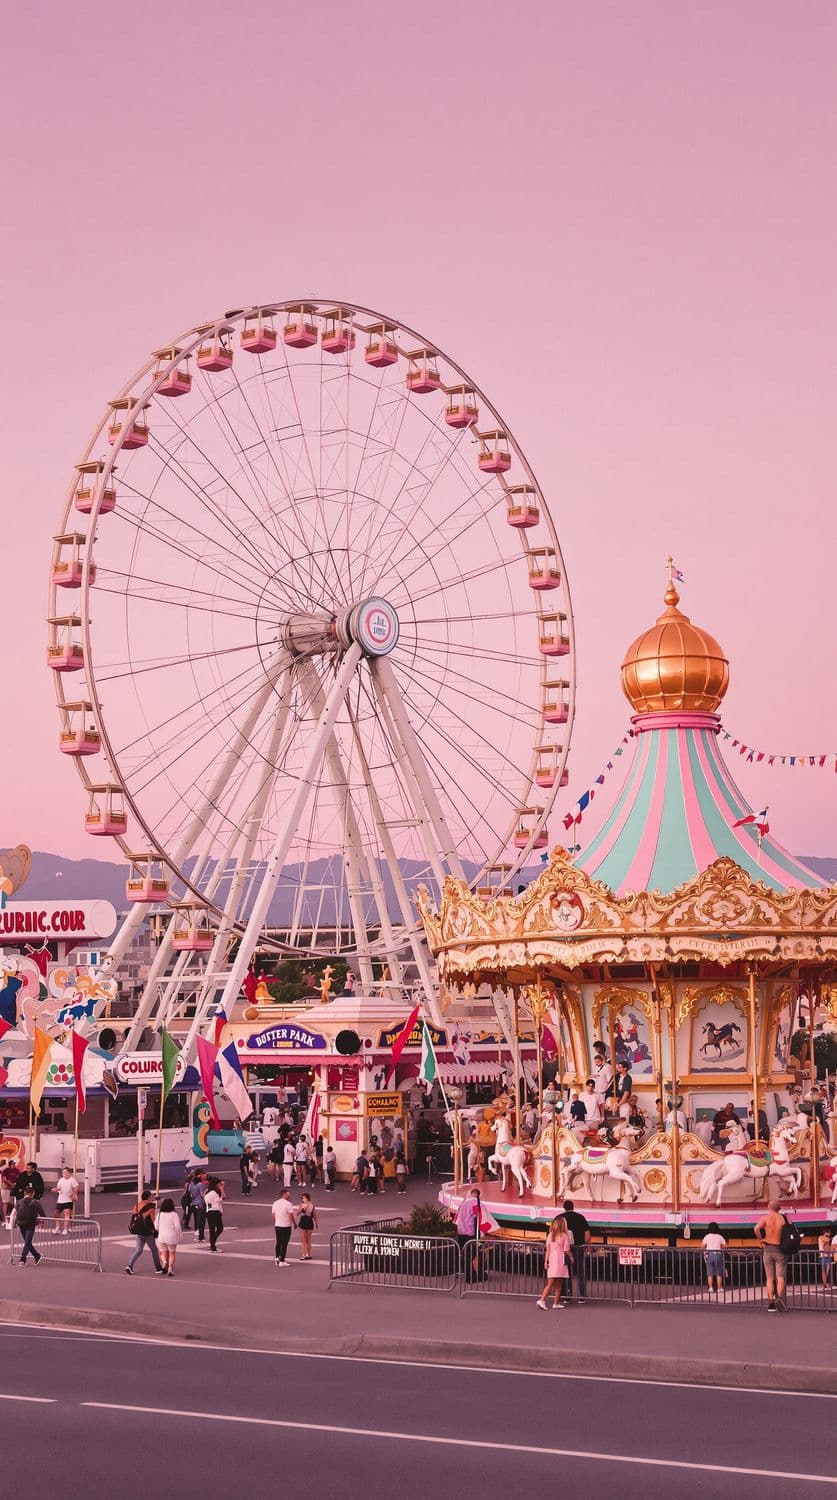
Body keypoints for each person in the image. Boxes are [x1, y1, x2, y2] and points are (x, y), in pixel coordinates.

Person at [754, 1198, 790, 1312]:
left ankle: (771, 1303)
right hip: (780, 1249)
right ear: (779, 1208)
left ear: (768, 1207)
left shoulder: (765, 1218)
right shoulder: (783, 1218)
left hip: (768, 1248)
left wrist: (761, 1240)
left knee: (769, 1278)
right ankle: (778, 1297)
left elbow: (756, 1228)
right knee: (780, 1277)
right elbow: (791, 1230)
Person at [125, 1189, 165, 1275]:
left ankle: (129, 1265)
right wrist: (156, 1230)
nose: (152, 1197)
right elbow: (153, 1219)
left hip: (138, 1230)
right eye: (151, 1196)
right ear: (148, 1197)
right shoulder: (150, 1207)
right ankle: (158, 1267)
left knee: (138, 1249)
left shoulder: (136, 1205)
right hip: (148, 1231)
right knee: (154, 1249)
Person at [537, 1214, 573, 1310]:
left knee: (550, 1283)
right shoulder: (564, 1235)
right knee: (558, 1284)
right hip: (560, 1260)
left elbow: (547, 1250)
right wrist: (572, 1257)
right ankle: (545, 1300)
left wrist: (546, 1261)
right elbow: (566, 1250)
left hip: (552, 1260)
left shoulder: (550, 1235)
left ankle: (548, 1301)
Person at [562, 1199, 591, 1302]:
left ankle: (567, 1296)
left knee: (567, 1272)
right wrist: (587, 1246)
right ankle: (582, 1296)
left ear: (564, 1208)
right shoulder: (581, 1217)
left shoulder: (560, 1218)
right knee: (581, 1272)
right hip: (579, 1246)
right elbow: (587, 1233)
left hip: (566, 1248)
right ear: (573, 1207)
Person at [15, 1188, 45, 1266]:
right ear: (33, 1193)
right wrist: (42, 1222)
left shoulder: (19, 1201)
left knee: (27, 1242)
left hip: (21, 1224)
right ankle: (23, 1260)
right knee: (27, 1242)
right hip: (31, 1224)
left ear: (24, 1192)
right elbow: (42, 1214)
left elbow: (15, 1212)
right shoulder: (36, 1202)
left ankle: (36, 1256)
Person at [156, 1197, 183, 1277]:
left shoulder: (160, 1215)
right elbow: (177, 1227)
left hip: (161, 1236)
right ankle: (170, 1268)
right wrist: (179, 1236)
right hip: (171, 1236)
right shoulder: (174, 1215)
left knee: (163, 1252)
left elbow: (156, 1226)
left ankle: (164, 1263)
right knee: (172, 1253)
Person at [271, 1187, 297, 1266]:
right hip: (286, 1225)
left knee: (278, 1242)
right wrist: (294, 1223)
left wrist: (275, 1223)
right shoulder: (288, 1204)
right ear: (284, 1194)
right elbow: (290, 1215)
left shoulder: (275, 1203)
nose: (289, 1195)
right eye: (288, 1194)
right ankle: (282, 1259)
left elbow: (273, 1214)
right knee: (284, 1243)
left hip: (278, 1225)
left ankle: (277, 1258)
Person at [702, 1220, 727, 1293]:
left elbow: (702, 1246)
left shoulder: (707, 1236)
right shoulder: (720, 1236)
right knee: (719, 1273)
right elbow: (725, 1246)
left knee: (710, 1273)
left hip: (709, 1255)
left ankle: (711, 1288)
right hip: (718, 1255)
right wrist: (720, 1246)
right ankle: (719, 1288)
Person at [55, 1167, 79, 1233]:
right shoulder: (61, 1180)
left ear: (69, 1173)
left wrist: (74, 1194)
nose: (64, 1173)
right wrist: (56, 1190)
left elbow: (76, 1188)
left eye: (65, 1172)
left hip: (68, 1200)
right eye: (63, 1172)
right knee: (56, 1213)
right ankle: (58, 1227)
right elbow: (58, 1188)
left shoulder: (72, 1180)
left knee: (67, 1214)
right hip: (60, 1199)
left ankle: (65, 1228)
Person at [204, 1177, 225, 1253]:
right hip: (215, 1211)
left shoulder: (207, 1192)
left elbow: (208, 1203)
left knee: (211, 1229)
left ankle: (213, 1245)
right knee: (220, 1228)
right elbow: (219, 1201)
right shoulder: (214, 1193)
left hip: (209, 1211)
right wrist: (222, 1190)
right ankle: (213, 1243)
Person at [188, 1171, 208, 1242]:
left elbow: (190, 1193)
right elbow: (203, 1195)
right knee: (201, 1221)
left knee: (197, 1220)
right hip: (200, 1204)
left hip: (194, 1203)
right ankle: (201, 1237)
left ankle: (198, 1234)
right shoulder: (201, 1185)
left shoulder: (191, 1185)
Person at [297, 1192, 317, 1260]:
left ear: (307, 1198)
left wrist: (316, 1223)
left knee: (306, 1239)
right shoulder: (305, 1205)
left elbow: (314, 1214)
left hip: (306, 1220)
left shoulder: (310, 1205)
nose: (303, 1199)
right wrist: (316, 1223)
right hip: (307, 1220)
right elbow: (298, 1213)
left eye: (304, 1198)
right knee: (305, 1239)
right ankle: (306, 1254)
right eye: (302, 1198)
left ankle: (306, 1254)